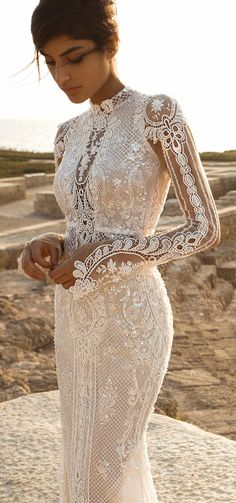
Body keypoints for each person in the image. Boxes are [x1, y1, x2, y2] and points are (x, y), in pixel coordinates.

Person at [18, 0, 221, 501]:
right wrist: (47, 245)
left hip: (133, 318)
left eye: (76, 56)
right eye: (52, 62)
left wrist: (110, 253)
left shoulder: (157, 112)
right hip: (75, 316)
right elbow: (82, 226)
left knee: (106, 465)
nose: (63, 74)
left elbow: (204, 229)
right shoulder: (67, 135)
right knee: (81, 456)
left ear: (110, 46)